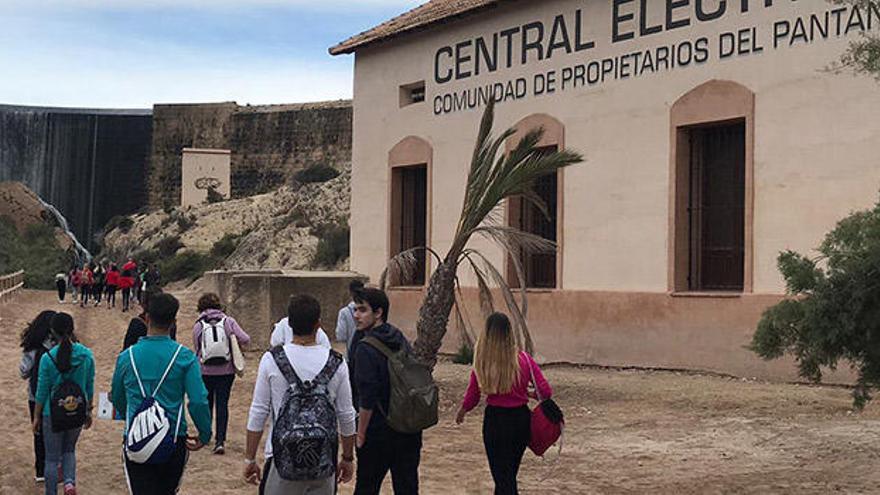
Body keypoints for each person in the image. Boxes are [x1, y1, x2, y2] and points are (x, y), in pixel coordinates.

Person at [244, 294, 356, 495]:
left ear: (289, 324)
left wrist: (250, 459)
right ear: (318, 325)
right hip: (323, 460)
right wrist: (347, 457)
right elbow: (346, 415)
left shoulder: (271, 360)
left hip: (280, 458)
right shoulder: (337, 363)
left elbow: (258, 412)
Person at [111, 292, 211, 495]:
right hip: (173, 438)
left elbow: (117, 397)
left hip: (136, 438)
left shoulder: (126, 357)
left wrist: (131, 416)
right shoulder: (185, 357)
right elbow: (198, 400)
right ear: (174, 321)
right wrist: (204, 433)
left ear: (146, 318)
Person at [455, 313, 553, 495]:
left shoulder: (482, 361)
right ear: (510, 333)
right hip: (520, 420)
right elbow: (546, 391)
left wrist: (463, 410)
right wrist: (528, 393)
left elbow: (473, 394)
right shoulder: (523, 360)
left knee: (502, 477)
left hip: (495, 421)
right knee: (508, 475)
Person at [352, 288, 422, 495]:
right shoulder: (399, 338)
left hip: (377, 430)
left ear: (378, 312)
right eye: (355, 310)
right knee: (407, 486)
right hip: (407, 426)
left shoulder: (365, 347)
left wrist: (361, 433)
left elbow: (367, 396)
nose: (356, 315)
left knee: (366, 486)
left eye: (362, 310)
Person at [33, 312, 95, 495]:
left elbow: (42, 390)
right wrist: (89, 410)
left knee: (51, 458)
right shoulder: (86, 355)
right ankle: (69, 482)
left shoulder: (47, 358)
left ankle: (51, 492)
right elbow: (89, 385)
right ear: (72, 329)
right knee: (69, 450)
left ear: (52, 331)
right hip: (77, 409)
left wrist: (36, 415)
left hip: (52, 414)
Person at [192, 293, 251, 455]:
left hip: (205, 370)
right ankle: (220, 441)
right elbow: (246, 338)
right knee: (222, 404)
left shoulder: (198, 324)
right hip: (226, 371)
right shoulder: (228, 321)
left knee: (207, 403)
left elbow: (197, 348)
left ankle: (206, 436)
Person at [19, 310, 58, 483]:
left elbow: (23, 372)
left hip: (36, 397)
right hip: (58, 397)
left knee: (39, 433)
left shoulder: (34, 347)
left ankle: (41, 471)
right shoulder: (63, 345)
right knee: (58, 432)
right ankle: (59, 468)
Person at [335, 280, 364, 353]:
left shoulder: (344, 312)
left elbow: (340, 336)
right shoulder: (370, 310)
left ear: (350, 292)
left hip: (352, 352)